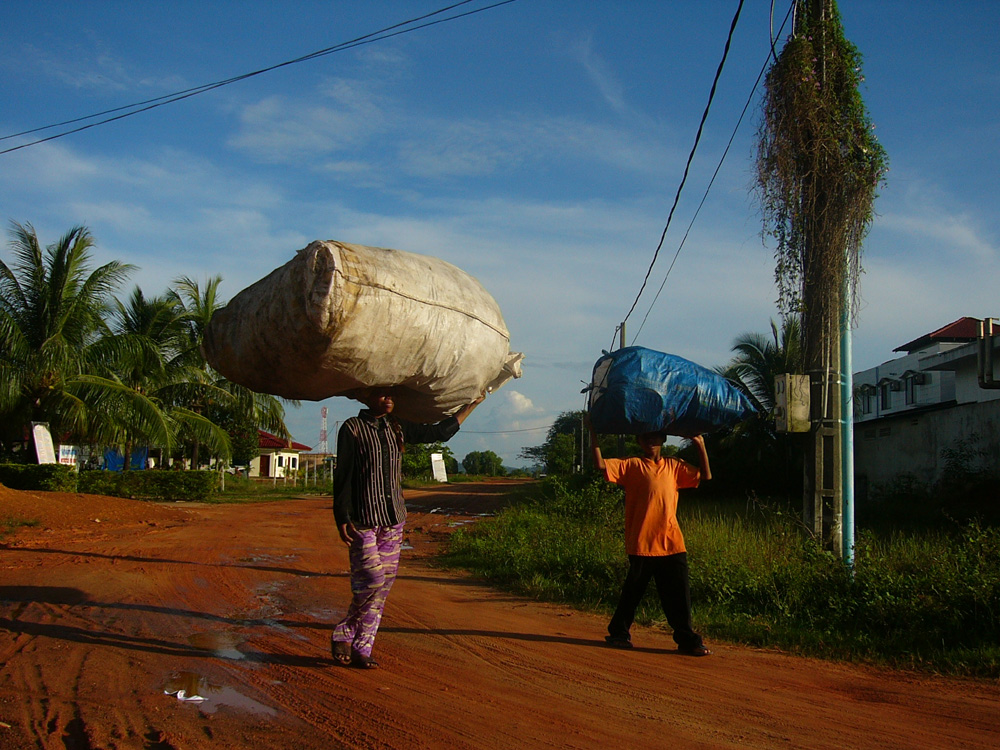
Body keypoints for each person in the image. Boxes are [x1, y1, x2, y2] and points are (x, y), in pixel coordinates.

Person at [331, 388, 484, 668]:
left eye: (391, 395)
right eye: (381, 395)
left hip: (394, 519)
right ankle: (345, 630)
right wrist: (341, 516)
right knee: (373, 581)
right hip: (363, 519)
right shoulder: (351, 429)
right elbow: (344, 474)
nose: (388, 399)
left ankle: (362, 647)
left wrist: (470, 405)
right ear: (365, 397)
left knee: (384, 586)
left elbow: (438, 433)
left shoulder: (397, 426)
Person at [587, 418, 713, 657]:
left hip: (672, 543)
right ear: (639, 440)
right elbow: (601, 465)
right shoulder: (632, 465)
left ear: (663, 439)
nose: (650, 440)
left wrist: (699, 443)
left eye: (654, 436)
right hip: (642, 543)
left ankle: (687, 639)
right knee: (632, 593)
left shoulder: (675, 466)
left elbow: (705, 476)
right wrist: (593, 432)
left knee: (678, 596)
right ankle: (618, 633)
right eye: (645, 437)